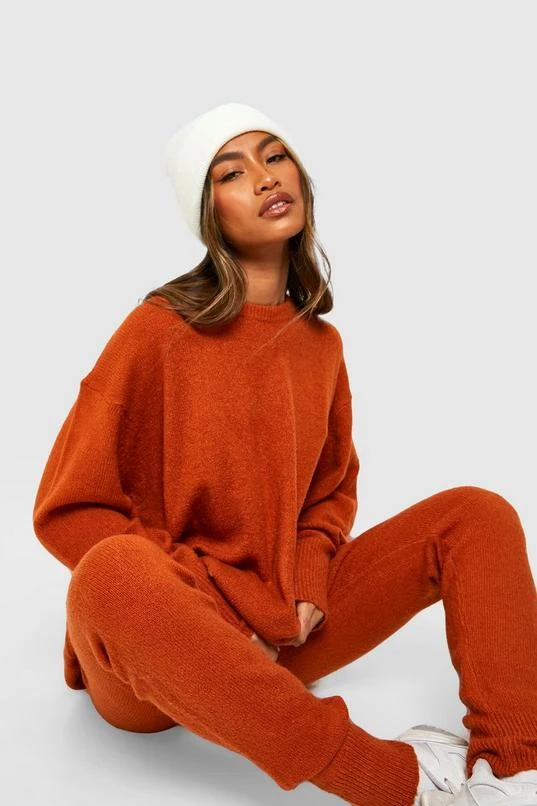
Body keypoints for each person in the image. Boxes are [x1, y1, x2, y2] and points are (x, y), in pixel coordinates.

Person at [32, 102, 537, 806]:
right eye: (231, 173)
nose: (266, 178)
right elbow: (68, 509)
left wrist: (304, 584)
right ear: (207, 213)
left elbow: (329, 495)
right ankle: (397, 781)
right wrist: (219, 617)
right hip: (155, 656)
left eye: (275, 156)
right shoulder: (156, 330)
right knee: (112, 570)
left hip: (278, 629)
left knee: (476, 515)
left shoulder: (319, 346)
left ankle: (514, 771)